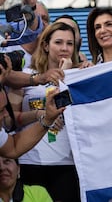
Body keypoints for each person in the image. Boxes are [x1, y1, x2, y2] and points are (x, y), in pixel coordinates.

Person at [11, 22, 80, 202]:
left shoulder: (80, 76)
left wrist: (67, 74)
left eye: (70, 43)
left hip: (67, 164)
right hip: (30, 161)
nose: (64, 48)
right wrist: (41, 113)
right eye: (58, 42)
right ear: (45, 45)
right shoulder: (27, 76)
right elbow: (14, 120)